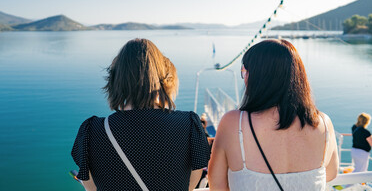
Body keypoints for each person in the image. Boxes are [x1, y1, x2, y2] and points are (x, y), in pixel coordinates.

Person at [71, 38, 210, 191]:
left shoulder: (92, 131)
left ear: (116, 80)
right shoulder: (188, 125)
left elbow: (92, 188)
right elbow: (190, 184)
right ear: (165, 79)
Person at [208, 39, 339, 191]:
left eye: (244, 71)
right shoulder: (323, 122)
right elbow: (331, 174)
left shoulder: (233, 123)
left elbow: (217, 184)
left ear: (256, 76)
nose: (244, 77)